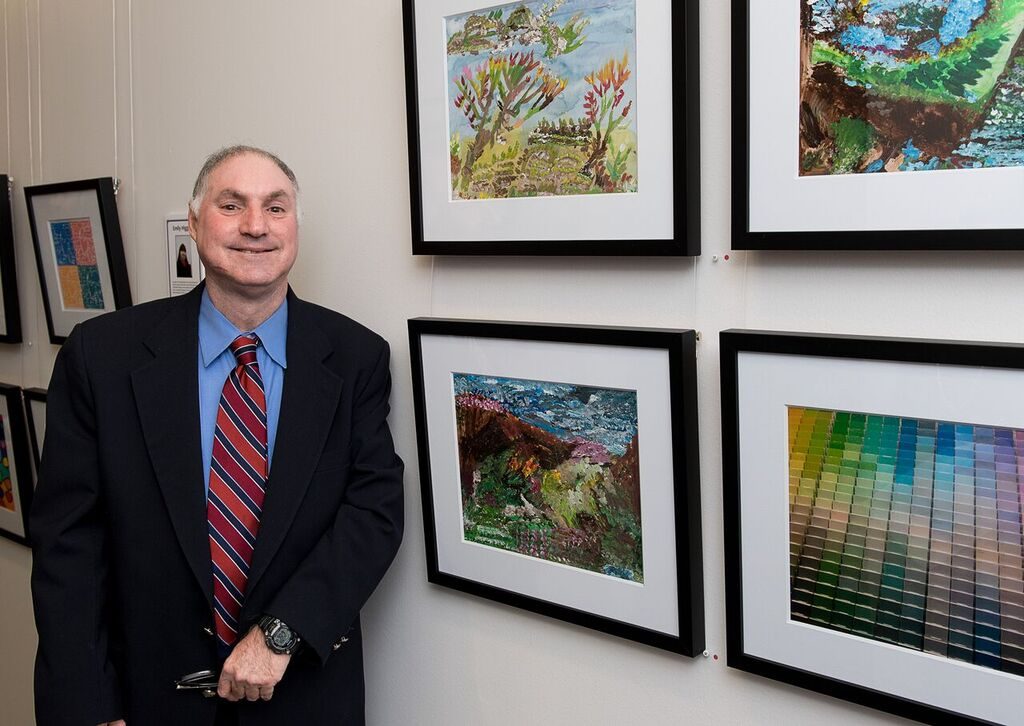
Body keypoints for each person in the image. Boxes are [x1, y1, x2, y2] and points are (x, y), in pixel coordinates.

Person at [30, 145, 404, 726]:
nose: (256, 226)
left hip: (303, 699)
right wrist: (88, 708)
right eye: (233, 205)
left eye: (275, 208)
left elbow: (374, 512)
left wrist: (282, 633)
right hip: (142, 700)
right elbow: (68, 548)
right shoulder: (102, 358)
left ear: (295, 228)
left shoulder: (356, 358)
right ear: (196, 221)